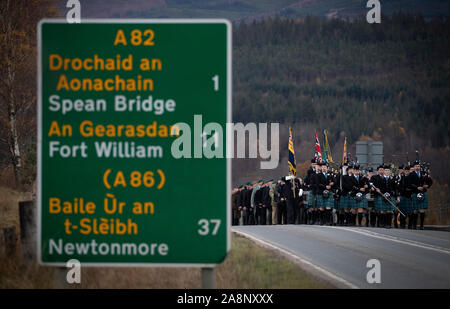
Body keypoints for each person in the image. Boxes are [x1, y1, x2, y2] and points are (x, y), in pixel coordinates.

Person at [408, 161, 433, 229]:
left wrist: (427, 185)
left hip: (423, 193)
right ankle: (414, 225)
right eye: (416, 166)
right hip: (415, 193)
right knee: (415, 210)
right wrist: (416, 187)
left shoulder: (424, 173)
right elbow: (409, 184)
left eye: (418, 166)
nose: (417, 167)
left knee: (422, 210)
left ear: (420, 167)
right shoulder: (411, 174)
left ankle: (422, 225)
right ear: (414, 167)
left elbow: (430, 181)